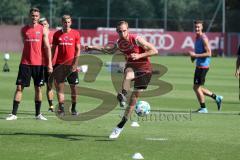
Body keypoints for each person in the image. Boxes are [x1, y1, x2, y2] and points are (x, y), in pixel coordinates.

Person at [87, 20, 158, 139]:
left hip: (144, 70)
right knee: (128, 73)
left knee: (133, 101)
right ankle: (123, 95)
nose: (122, 33)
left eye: (124, 31)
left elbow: (155, 51)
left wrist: (139, 55)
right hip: (131, 67)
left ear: (128, 30)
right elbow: (109, 50)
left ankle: (120, 126)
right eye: (119, 31)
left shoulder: (136, 39)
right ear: (117, 32)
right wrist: (93, 47)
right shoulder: (119, 42)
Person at [6, 8, 52, 120]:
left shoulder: (43, 29)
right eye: (32, 15)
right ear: (29, 16)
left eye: (36, 16)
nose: (34, 18)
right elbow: (25, 44)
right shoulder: (24, 30)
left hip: (39, 64)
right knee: (19, 88)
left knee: (38, 89)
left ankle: (38, 114)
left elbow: (46, 47)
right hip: (25, 63)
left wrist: (49, 64)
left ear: (38, 16)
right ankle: (14, 114)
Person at [188, 20, 223, 113]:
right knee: (197, 87)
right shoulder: (197, 37)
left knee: (196, 87)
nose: (197, 28)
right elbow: (198, 52)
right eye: (195, 27)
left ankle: (204, 108)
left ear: (202, 27)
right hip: (199, 65)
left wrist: (195, 55)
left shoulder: (204, 38)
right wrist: (193, 57)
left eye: (198, 27)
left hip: (203, 67)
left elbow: (209, 53)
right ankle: (217, 98)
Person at [51, 15, 80, 116]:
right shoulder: (56, 34)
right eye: (65, 22)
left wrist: (75, 64)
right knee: (60, 88)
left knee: (74, 89)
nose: (66, 24)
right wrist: (50, 62)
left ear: (71, 22)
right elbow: (53, 49)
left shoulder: (76, 34)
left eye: (68, 22)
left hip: (71, 65)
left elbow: (77, 50)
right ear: (62, 22)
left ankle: (74, 108)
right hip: (59, 65)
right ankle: (62, 108)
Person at [39, 17, 55, 112]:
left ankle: (51, 105)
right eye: (41, 25)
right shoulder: (38, 36)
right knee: (39, 86)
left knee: (50, 86)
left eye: (45, 24)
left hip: (51, 64)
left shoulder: (53, 35)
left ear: (48, 24)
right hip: (40, 64)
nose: (43, 26)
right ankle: (38, 108)